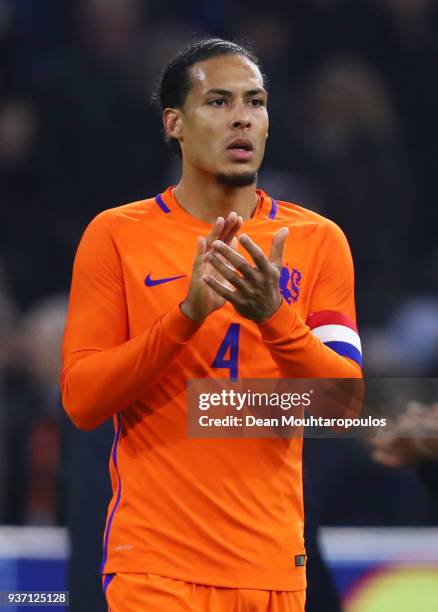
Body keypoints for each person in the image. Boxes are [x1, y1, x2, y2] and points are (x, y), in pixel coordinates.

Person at [61, 38, 362, 612]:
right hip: (157, 569)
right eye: (218, 102)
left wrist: (273, 317)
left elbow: (345, 407)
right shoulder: (117, 235)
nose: (242, 117)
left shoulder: (320, 242)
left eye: (255, 102)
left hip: (274, 571)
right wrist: (185, 317)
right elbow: (82, 400)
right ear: (175, 123)